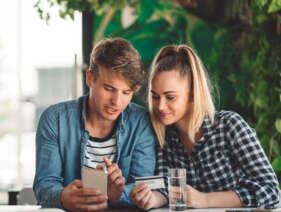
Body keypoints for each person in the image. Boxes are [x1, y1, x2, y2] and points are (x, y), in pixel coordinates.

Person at [130, 44, 280, 210]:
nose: (160, 106)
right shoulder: (162, 136)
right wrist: (151, 198)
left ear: (193, 93)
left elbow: (271, 191)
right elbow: (166, 190)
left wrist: (205, 200)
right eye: (155, 97)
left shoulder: (229, 126)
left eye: (170, 97)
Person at [33, 37, 157, 211]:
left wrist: (117, 195)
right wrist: (62, 197)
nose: (117, 102)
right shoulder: (55, 120)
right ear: (90, 78)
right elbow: (44, 185)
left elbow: (144, 187)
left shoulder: (141, 122)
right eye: (108, 89)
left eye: (126, 92)